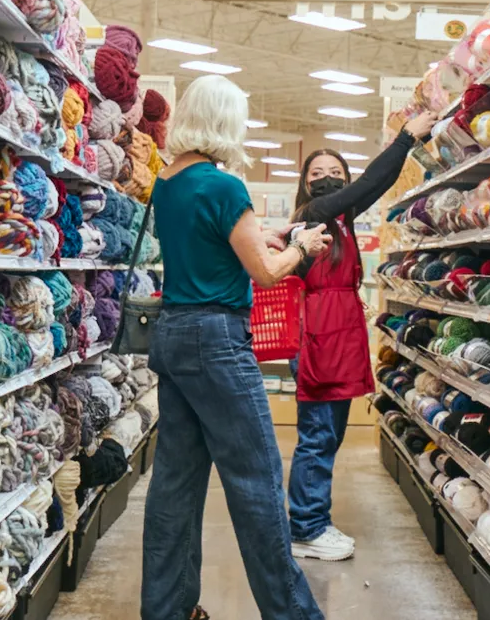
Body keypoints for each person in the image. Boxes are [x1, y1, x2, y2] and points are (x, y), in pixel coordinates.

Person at [143, 73, 331, 620]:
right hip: (217, 341)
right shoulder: (224, 186)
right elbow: (268, 273)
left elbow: (209, 244)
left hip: (173, 335)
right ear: (227, 122)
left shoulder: (168, 182)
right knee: (258, 484)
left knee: (174, 487)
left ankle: (166, 610)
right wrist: (303, 248)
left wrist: (262, 237)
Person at [287, 110, 436, 562]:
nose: (327, 178)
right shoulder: (312, 214)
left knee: (329, 433)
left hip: (339, 332)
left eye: (336, 172)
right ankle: (306, 527)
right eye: (318, 173)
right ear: (306, 183)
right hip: (317, 336)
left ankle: (312, 520)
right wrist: (406, 138)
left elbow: (372, 185)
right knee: (317, 434)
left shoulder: (344, 221)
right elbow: (371, 183)